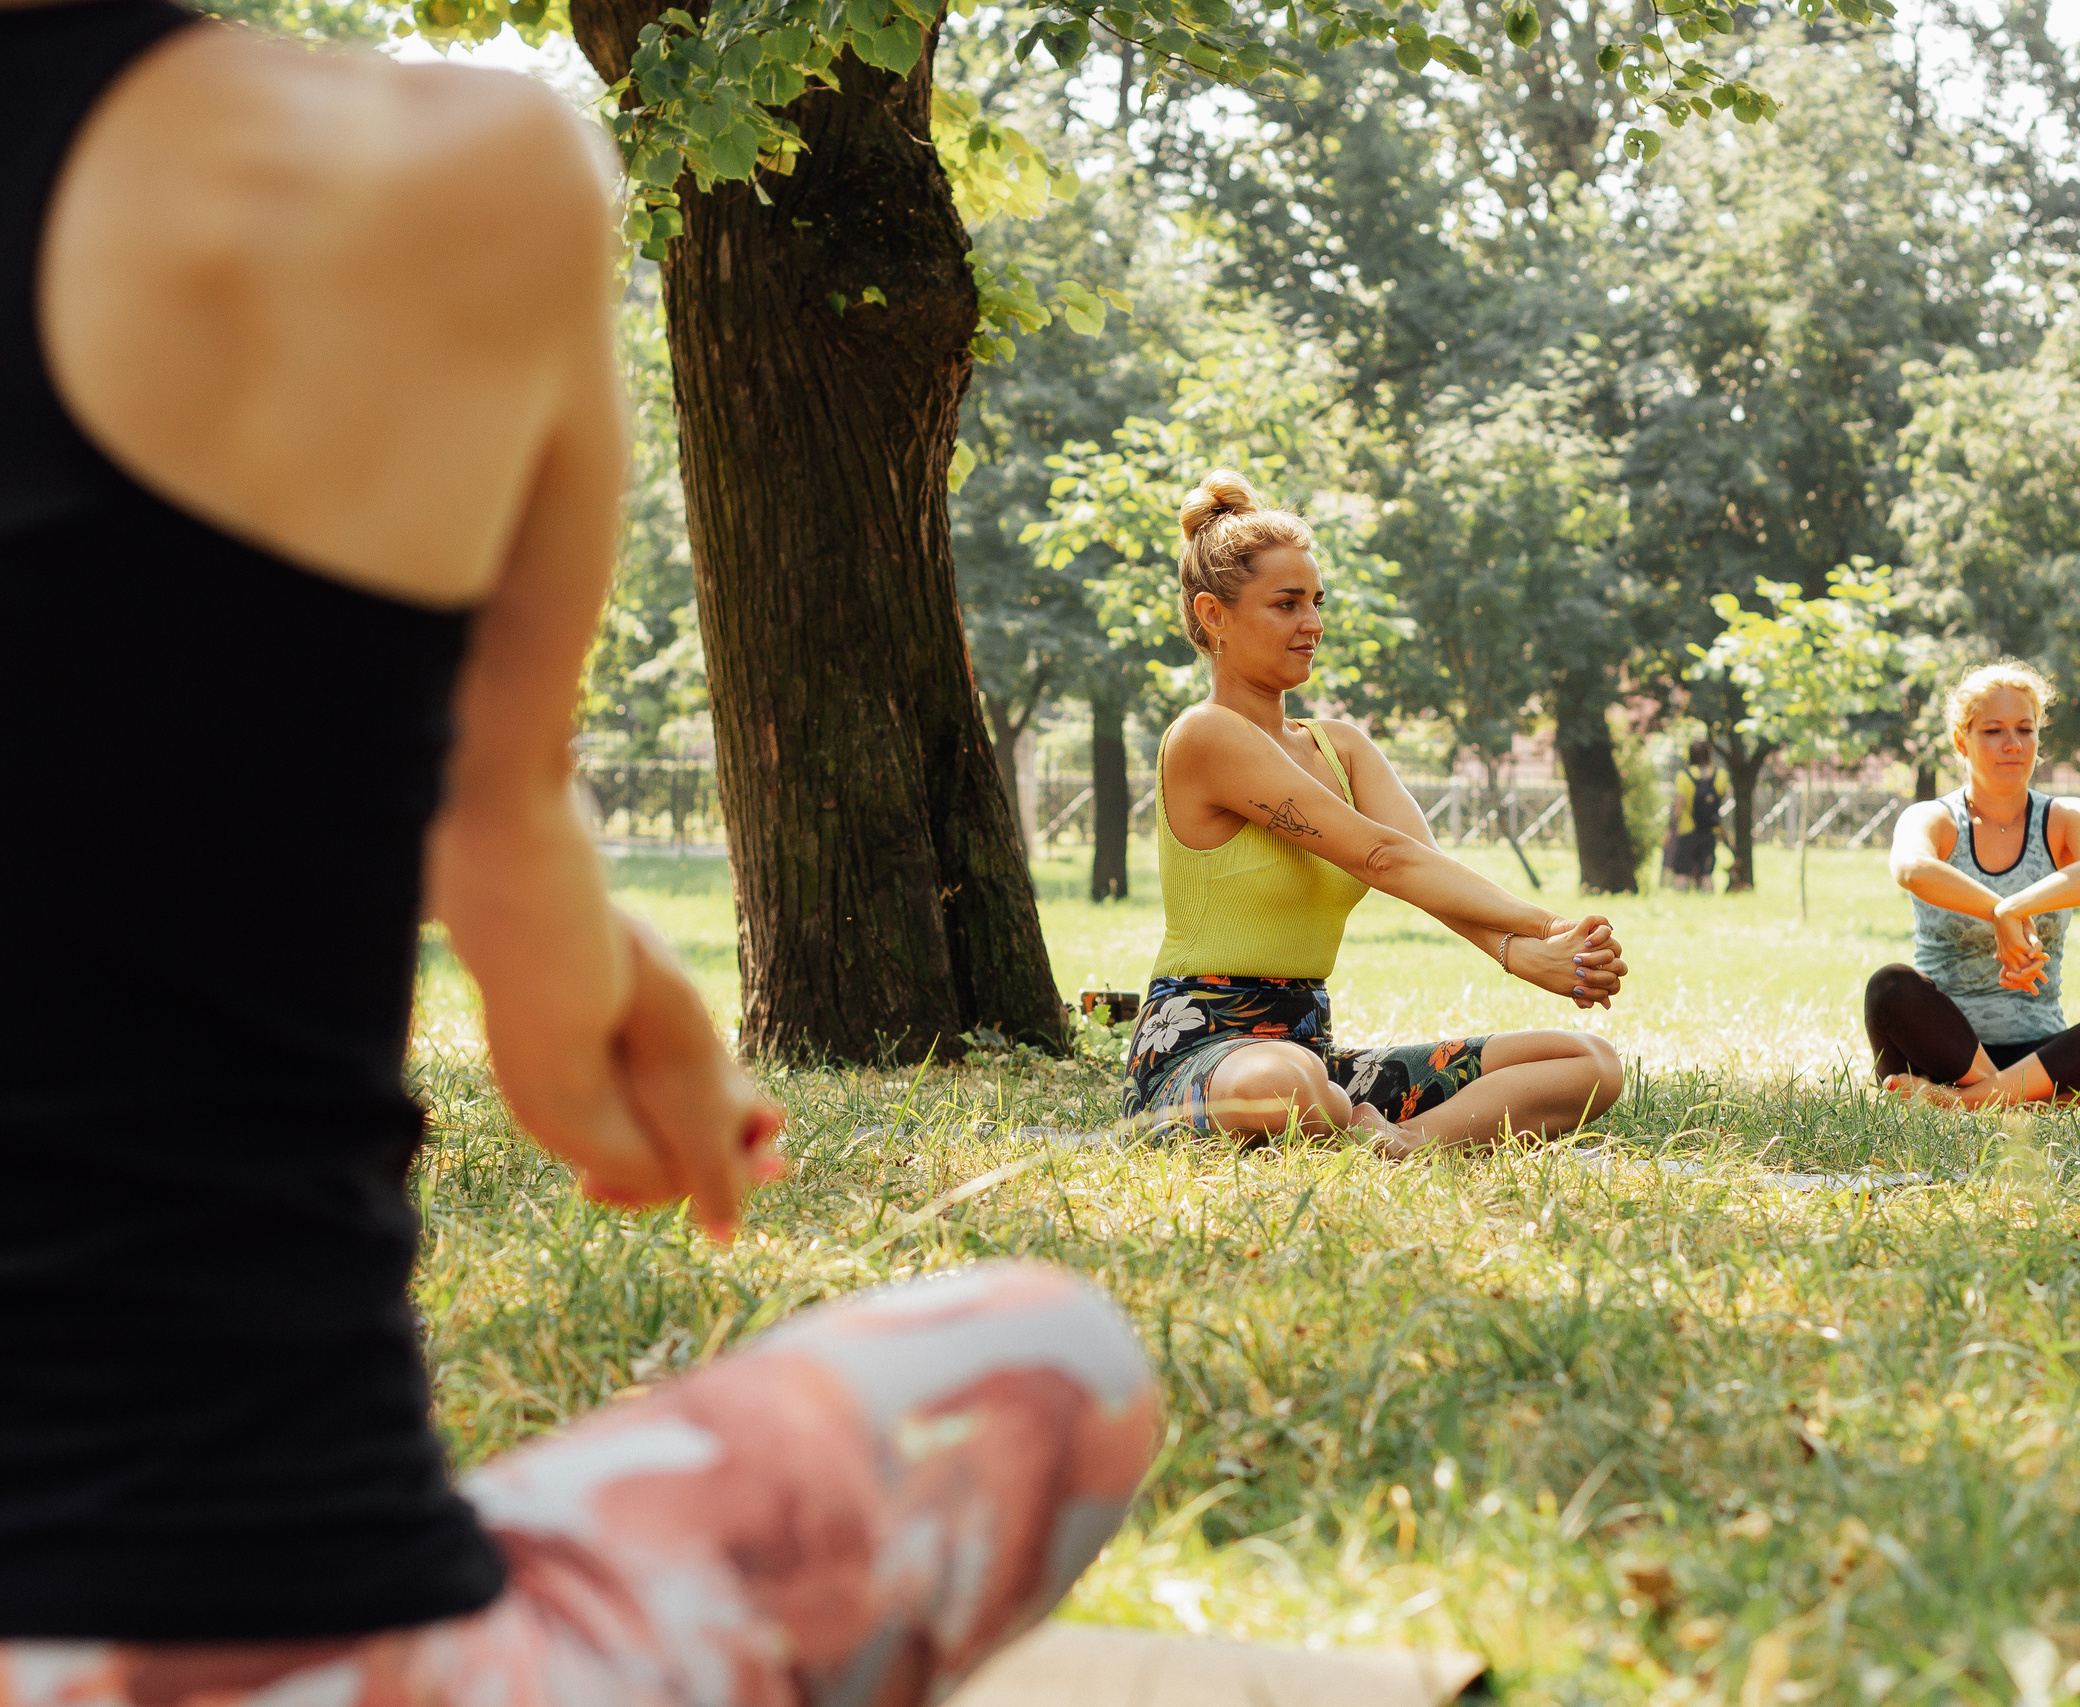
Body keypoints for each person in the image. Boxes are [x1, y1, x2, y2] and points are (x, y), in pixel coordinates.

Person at [1, 5, 1156, 1701]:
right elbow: (495, 807)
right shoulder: (442, 177)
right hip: (223, 1630)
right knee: (1053, 1363)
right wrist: (577, 950)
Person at [1123, 470, 1627, 1157]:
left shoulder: (1342, 748)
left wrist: (1519, 952)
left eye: (1316, 602)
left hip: (1310, 1048)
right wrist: (1549, 925)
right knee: (1288, 1082)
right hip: (1201, 1050)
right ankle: (1340, 1122)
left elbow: (1423, 868)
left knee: (1588, 1063)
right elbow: (1378, 858)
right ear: (1213, 614)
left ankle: (1396, 1144)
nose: (1313, 623)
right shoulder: (1203, 736)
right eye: (1287, 603)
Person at [1862, 662, 2080, 1108]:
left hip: (2040, 1054)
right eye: (1993, 731)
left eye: (2025, 729)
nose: (2012, 744)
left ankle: (1965, 1102)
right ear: (1961, 741)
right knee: (1890, 986)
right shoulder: (1934, 818)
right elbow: (1911, 867)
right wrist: (1995, 910)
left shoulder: (2063, 818)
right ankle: (2035, 1100)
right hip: (1942, 1049)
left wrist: (2015, 909)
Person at [1664, 740, 1721, 891]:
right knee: (1706, 873)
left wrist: (1671, 829)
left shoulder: (1684, 776)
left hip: (1687, 830)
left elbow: (1678, 805)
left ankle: (1681, 903)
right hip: (1710, 830)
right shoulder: (1720, 775)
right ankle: (1708, 904)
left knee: (1682, 871)